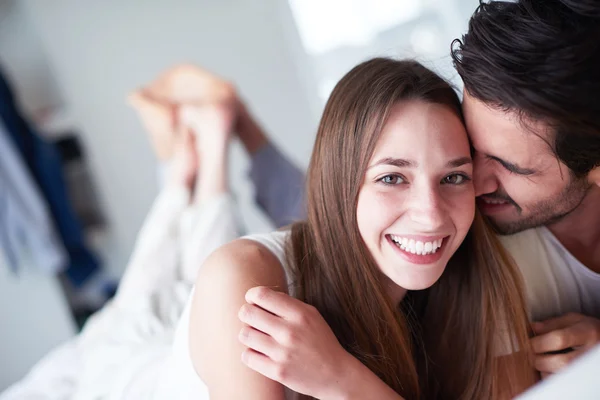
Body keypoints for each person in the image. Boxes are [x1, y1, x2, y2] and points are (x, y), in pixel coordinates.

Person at [180, 58, 537, 400]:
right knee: (190, 223)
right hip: (138, 350)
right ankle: (197, 155)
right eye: (392, 177)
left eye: (453, 177)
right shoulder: (243, 280)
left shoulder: (479, 277)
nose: (431, 216)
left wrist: (343, 382)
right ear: (339, 183)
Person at [0, 65, 305, 400]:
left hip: (134, 353)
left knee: (147, 305)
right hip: (142, 353)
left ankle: (193, 162)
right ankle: (191, 164)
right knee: (157, 300)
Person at [452, 0, 600, 377]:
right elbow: (289, 253)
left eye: (510, 167)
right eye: (471, 148)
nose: (475, 183)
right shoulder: (460, 240)